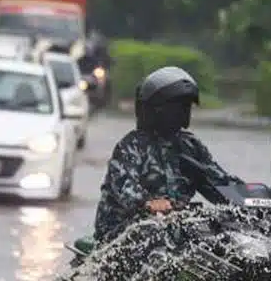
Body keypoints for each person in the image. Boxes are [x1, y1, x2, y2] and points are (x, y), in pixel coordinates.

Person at [93, 66, 242, 244]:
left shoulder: (191, 146)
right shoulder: (131, 146)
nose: (183, 112)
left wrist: (252, 200)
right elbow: (124, 186)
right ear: (156, 110)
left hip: (176, 228)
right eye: (177, 107)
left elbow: (218, 182)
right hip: (124, 233)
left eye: (186, 107)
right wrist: (148, 202)